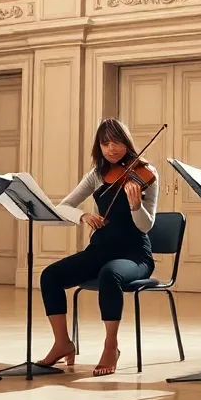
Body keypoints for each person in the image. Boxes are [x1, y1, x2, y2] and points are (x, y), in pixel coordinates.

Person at [37, 119, 159, 377]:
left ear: (127, 143)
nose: (112, 149)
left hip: (134, 254)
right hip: (100, 249)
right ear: (99, 146)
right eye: (105, 143)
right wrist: (82, 216)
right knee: (50, 275)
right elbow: (63, 206)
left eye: (117, 142)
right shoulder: (96, 175)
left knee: (110, 274)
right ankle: (62, 343)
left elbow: (146, 227)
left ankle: (111, 345)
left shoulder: (147, 173)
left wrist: (136, 206)